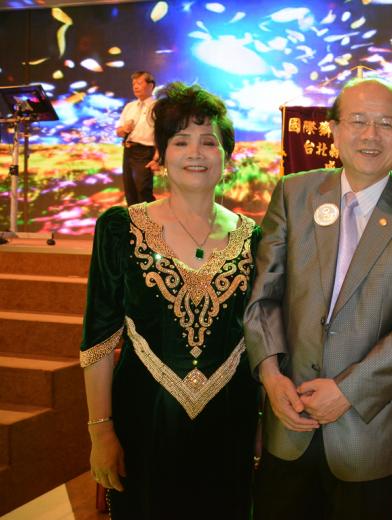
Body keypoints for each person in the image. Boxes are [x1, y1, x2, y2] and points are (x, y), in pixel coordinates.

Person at [244, 77, 392, 520]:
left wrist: (346, 391)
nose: (370, 135)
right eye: (357, 121)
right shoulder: (294, 193)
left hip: (367, 433)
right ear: (335, 130)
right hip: (288, 417)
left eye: (386, 124)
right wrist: (270, 377)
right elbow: (264, 296)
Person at [81, 82, 261, 519]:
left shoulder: (254, 237)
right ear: (160, 155)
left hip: (229, 423)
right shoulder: (120, 228)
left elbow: (260, 339)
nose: (195, 153)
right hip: (143, 421)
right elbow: (99, 341)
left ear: (227, 156)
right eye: (181, 141)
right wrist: (101, 432)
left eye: (209, 142)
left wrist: (262, 425)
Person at [116, 70, 159, 205]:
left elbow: (162, 134)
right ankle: (135, 219)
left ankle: (149, 219)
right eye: (133, 83)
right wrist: (124, 129)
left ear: (150, 85)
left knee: (143, 191)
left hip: (145, 152)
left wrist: (157, 157)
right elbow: (118, 132)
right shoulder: (130, 107)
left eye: (139, 83)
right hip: (128, 150)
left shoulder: (158, 107)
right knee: (130, 191)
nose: (135, 86)